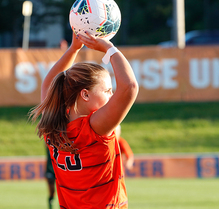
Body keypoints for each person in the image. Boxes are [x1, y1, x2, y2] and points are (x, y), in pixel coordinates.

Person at [29, 31, 139, 209]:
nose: (112, 96)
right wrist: (108, 48)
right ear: (85, 94)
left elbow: (48, 84)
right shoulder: (95, 128)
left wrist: (73, 49)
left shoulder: (52, 125)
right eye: (107, 91)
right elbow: (129, 87)